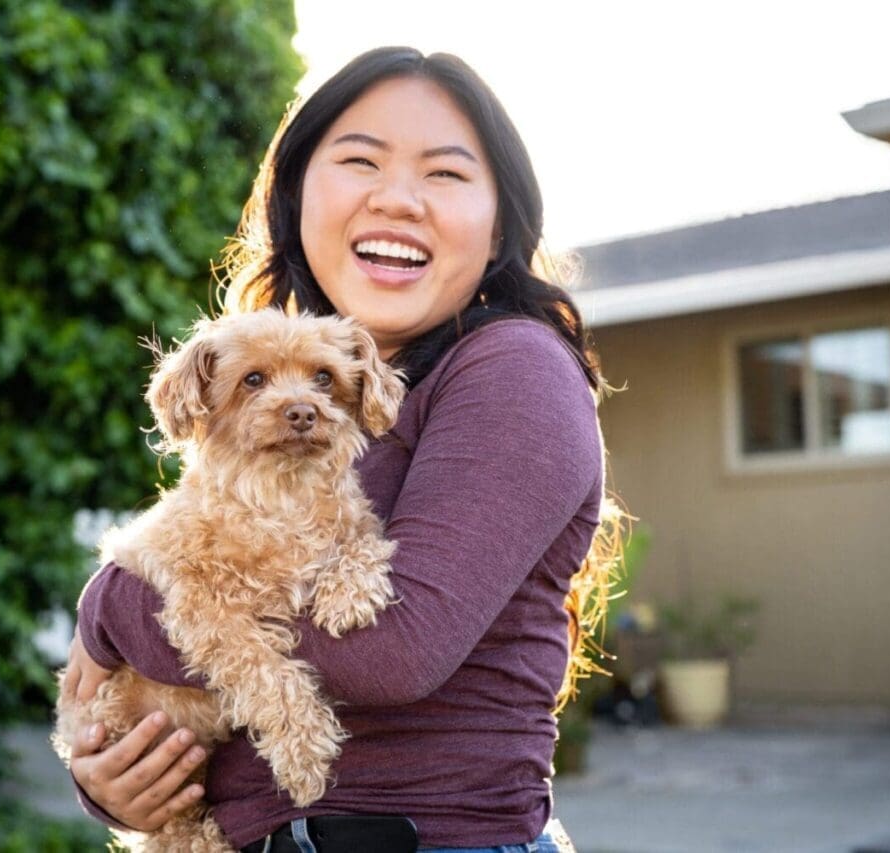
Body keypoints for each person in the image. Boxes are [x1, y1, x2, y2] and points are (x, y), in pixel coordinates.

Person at [61, 46, 622, 853]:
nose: (398, 199)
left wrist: (112, 607)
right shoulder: (261, 388)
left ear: (499, 220)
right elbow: (178, 704)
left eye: (445, 173)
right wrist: (118, 781)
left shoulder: (513, 367)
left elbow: (395, 649)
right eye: (360, 161)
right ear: (296, 193)